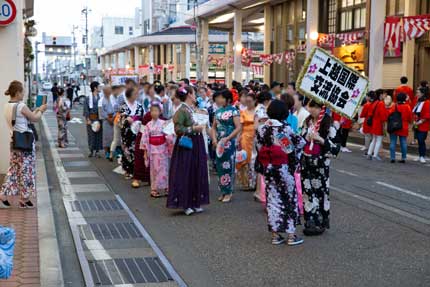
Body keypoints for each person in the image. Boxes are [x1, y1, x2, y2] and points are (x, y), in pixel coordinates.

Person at [256, 100, 305, 245]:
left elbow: (259, 147)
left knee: (273, 200)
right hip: (283, 167)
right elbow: (299, 144)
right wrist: (295, 161)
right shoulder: (285, 129)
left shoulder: (261, 128)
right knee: (289, 199)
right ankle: (291, 235)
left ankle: (275, 235)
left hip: (269, 168)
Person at [0, 80, 47, 209]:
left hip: (14, 142)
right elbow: (35, 118)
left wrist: (36, 110)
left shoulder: (7, 106)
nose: (23, 94)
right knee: (26, 170)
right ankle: (24, 198)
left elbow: (23, 118)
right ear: (17, 93)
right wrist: (41, 110)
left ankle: (4, 195)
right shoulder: (20, 106)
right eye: (22, 92)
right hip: (25, 144)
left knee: (14, 170)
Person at [167, 87, 209, 215]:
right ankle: (186, 203)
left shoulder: (191, 109)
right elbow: (178, 129)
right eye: (194, 93)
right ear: (189, 95)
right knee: (186, 172)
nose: (195, 96)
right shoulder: (181, 110)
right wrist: (193, 129)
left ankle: (195, 202)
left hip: (196, 143)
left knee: (196, 170)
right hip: (187, 144)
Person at [301, 100, 339, 236]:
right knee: (307, 192)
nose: (312, 110)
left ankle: (320, 221)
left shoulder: (330, 124)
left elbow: (335, 148)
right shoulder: (307, 122)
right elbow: (301, 139)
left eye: (316, 107)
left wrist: (321, 140)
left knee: (320, 192)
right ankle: (310, 220)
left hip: (321, 165)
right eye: (311, 106)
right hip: (306, 162)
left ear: (322, 108)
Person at [211, 89, 242, 203]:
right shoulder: (218, 111)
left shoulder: (234, 111)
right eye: (217, 98)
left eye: (221, 98)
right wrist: (214, 139)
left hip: (229, 142)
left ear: (228, 99)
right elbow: (214, 127)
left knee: (228, 165)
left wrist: (229, 138)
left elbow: (238, 127)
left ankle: (229, 191)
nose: (219, 100)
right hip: (219, 142)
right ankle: (223, 191)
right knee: (219, 166)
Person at [141, 101, 171, 197]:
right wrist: (145, 151)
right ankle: (154, 189)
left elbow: (169, 136)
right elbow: (145, 139)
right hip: (153, 150)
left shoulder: (164, 123)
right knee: (154, 170)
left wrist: (168, 139)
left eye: (156, 111)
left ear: (160, 112)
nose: (154, 113)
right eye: (152, 111)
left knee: (165, 169)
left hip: (163, 149)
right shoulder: (148, 125)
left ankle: (167, 188)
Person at [119, 87, 145, 179]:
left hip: (137, 130)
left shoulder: (139, 105)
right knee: (126, 149)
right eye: (134, 94)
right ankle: (127, 169)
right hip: (126, 131)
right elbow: (121, 119)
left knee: (136, 150)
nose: (136, 96)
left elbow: (142, 117)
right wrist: (126, 119)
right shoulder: (123, 106)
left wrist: (136, 119)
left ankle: (135, 170)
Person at [254, 91, 272, 202]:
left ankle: (258, 190)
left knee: (261, 164)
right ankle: (260, 191)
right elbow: (257, 125)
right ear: (266, 100)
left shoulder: (257, 109)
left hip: (259, 139)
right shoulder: (262, 110)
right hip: (263, 139)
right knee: (263, 165)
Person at [237, 91, 256, 190]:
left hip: (255, 137)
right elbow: (240, 127)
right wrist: (238, 138)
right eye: (247, 101)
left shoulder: (257, 112)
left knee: (254, 159)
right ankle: (246, 182)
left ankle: (254, 182)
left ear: (254, 101)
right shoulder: (243, 113)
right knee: (245, 159)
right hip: (245, 136)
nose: (248, 103)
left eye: (250, 101)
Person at [389, 93, 412, 163]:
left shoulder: (393, 106)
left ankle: (392, 157)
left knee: (393, 142)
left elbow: (389, 115)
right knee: (403, 142)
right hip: (404, 126)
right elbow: (410, 118)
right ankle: (403, 158)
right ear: (405, 99)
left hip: (394, 126)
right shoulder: (407, 106)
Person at [367, 89, 388, 160]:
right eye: (384, 94)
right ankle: (375, 155)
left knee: (374, 139)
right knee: (379, 140)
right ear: (380, 95)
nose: (385, 96)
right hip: (379, 123)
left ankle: (369, 153)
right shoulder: (381, 103)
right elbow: (383, 116)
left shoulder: (374, 102)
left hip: (373, 122)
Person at [83, 81, 103, 157]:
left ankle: (97, 151)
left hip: (99, 118)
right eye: (99, 86)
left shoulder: (101, 97)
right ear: (95, 88)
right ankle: (91, 150)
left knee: (99, 134)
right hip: (91, 118)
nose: (100, 88)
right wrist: (87, 119)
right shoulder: (88, 98)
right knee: (91, 135)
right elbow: (86, 109)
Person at [413, 87, 430, 163]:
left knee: (421, 140)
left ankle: (422, 156)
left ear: (422, 93)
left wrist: (419, 122)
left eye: (418, 92)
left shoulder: (427, 102)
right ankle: (420, 156)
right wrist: (414, 121)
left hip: (423, 124)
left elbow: (427, 115)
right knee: (419, 141)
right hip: (417, 124)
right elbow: (414, 112)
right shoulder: (418, 101)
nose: (416, 93)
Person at [98, 85, 115, 159]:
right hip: (106, 120)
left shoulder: (113, 98)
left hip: (114, 119)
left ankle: (113, 151)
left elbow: (116, 108)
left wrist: (114, 117)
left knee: (114, 136)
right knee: (106, 137)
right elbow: (101, 112)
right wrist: (108, 118)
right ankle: (107, 152)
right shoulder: (101, 100)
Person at [110, 85, 122, 160]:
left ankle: (111, 154)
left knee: (115, 138)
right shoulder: (122, 98)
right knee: (123, 138)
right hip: (122, 120)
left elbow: (115, 110)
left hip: (116, 119)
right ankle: (123, 155)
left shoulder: (116, 99)